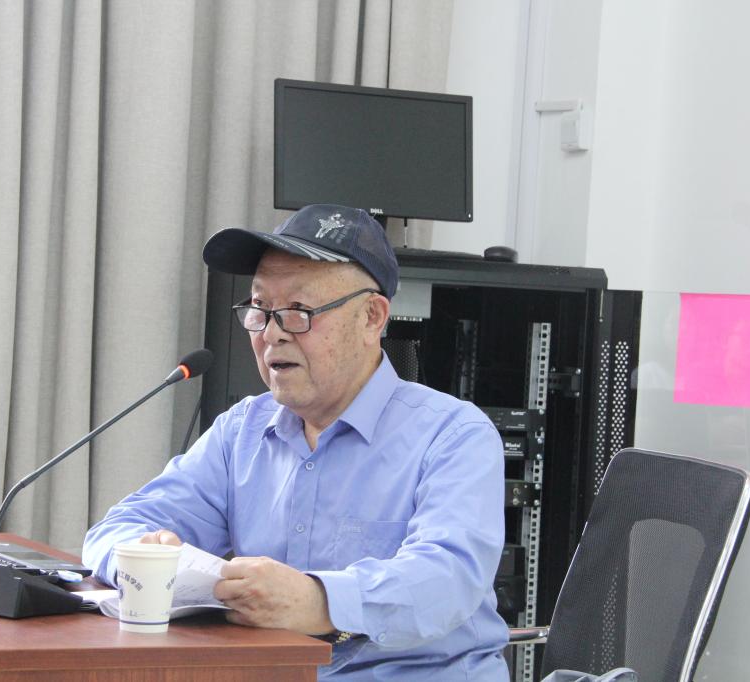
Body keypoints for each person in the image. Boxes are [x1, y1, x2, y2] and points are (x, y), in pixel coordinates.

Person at [83, 204, 509, 680]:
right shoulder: (241, 431)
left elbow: (448, 580)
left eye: (299, 312)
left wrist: (318, 600)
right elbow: (116, 529)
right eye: (261, 310)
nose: (272, 335)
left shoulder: (452, 435)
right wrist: (142, 554)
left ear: (372, 318)